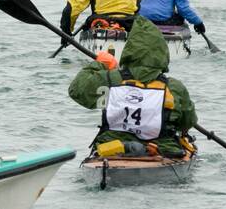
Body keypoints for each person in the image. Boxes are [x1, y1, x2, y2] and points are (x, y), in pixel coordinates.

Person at [68, 18, 198, 160]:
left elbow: (76, 90)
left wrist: (100, 64)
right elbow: (188, 122)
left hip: (111, 149)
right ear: (162, 52)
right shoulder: (174, 88)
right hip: (162, 150)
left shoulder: (110, 80)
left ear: (129, 50)